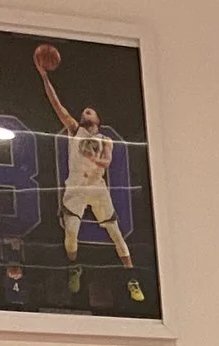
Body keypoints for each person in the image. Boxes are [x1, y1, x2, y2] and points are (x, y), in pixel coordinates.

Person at [37, 49, 144, 303]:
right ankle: (75, 268)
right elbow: (57, 105)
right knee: (71, 234)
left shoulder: (105, 139)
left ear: (98, 119)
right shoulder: (74, 131)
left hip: (96, 186)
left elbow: (106, 161)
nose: (85, 112)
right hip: (75, 186)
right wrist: (44, 77)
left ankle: (132, 279)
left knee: (116, 234)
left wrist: (97, 160)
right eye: (84, 111)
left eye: (90, 111)